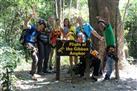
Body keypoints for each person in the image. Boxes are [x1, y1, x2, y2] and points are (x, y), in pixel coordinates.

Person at [75, 16, 103, 81]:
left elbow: (94, 32)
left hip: (89, 47)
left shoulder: (87, 25)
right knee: (83, 61)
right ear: (77, 22)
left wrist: (100, 37)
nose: (79, 21)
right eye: (78, 20)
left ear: (82, 19)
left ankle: (95, 74)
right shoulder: (77, 29)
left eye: (80, 19)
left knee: (97, 58)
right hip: (81, 49)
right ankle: (82, 74)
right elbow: (76, 39)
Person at [96, 7, 118, 80]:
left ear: (104, 24)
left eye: (102, 25)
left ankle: (107, 75)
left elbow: (108, 19)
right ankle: (102, 73)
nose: (101, 26)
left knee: (110, 62)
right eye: (100, 26)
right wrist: (99, 19)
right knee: (106, 60)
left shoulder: (108, 27)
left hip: (111, 47)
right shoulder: (104, 31)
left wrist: (107, 12)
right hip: (108, 47)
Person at [22, 13, 46, 80]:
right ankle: (32, 74)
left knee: (35, 59)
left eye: (42, 28)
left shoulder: (38, 32)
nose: (41, 29)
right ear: (39, 25)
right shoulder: (32, 27)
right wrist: (29, 17)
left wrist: (35, 47)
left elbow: (34, 41)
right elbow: (25, 25)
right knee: (36, 59)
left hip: (32, 45)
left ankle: (32, 73)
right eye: (41, 27)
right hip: (27, 43)